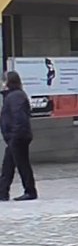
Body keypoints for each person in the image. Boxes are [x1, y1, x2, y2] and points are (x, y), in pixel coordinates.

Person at [1, 71, 38, 201]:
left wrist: (14, 136)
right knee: (8, 165)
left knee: (21, 164)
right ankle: (3, 192)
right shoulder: (11, 96)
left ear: (9, 82)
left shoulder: (16, 96)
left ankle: (30, 191)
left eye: (4, 80)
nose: (2, 83)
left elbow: (19, 118)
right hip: (15, 136)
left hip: (18, 136)